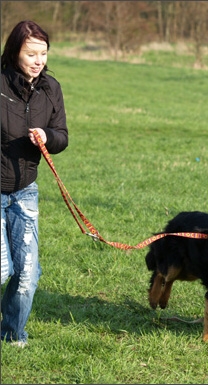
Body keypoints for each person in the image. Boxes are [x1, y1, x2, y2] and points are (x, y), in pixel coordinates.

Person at [1, 20, 69, 347]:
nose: (39, 59)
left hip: (25, 190)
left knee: (27, 274)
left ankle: (12, 335)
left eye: (43, 53)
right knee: (2, 270)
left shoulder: (50, 89)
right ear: (15, 52)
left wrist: (47, 136)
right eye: (31, 53)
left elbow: (62, 136)